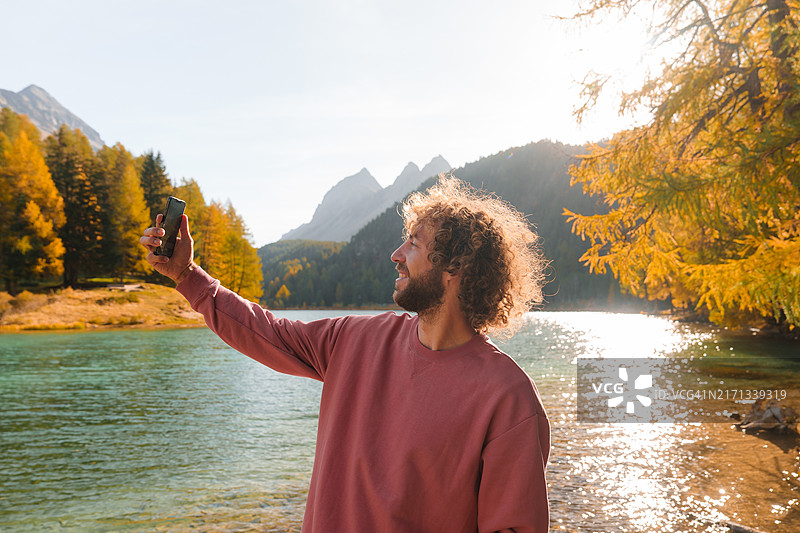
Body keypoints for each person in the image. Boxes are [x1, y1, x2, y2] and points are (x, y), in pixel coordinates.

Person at [140, 176, 551, 532]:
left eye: (414, 243)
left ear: (455, 266)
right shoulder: (354, 339)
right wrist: (185, 275)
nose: (396, 254)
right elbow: (265, 332)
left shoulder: (508, 399)